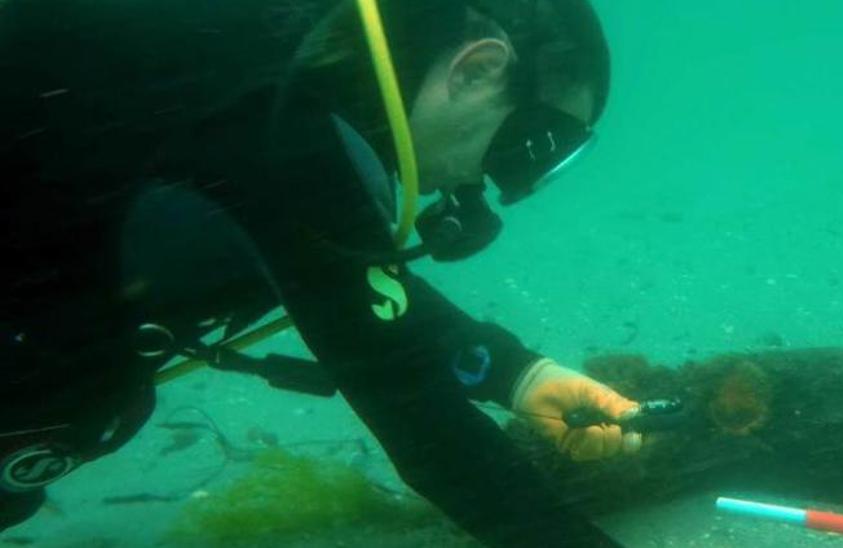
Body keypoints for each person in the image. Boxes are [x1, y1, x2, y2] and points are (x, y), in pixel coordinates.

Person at [0, 0, 638, 545]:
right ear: (476, 69)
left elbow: (330, 272)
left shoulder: (263, 54)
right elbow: (431, 432)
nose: (489, 183)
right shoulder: (283, 123)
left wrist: (512, 373)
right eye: (526, 146)